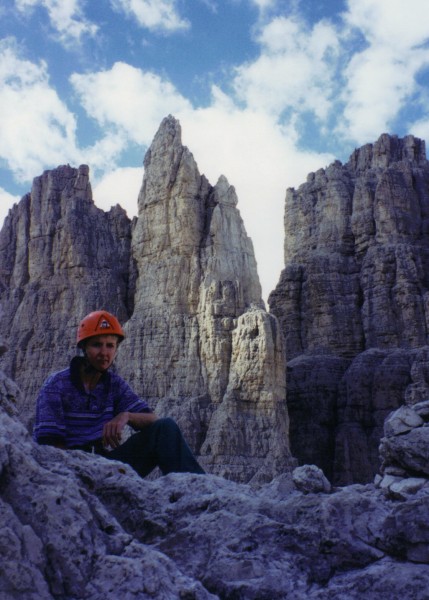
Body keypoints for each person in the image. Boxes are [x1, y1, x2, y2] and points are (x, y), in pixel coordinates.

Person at [33, 310, 205, 477]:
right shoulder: (56, 385)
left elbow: (152, 419)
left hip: (104, 463)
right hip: (70, 468)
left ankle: (200, 494)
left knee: (165, 428)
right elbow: (49, 446)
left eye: (110, 346)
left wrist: (126, 416)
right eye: (97, 345)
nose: (104, 353)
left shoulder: (113, 384)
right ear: (84, 347)